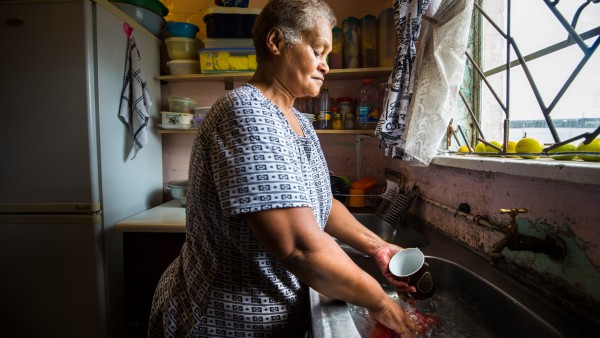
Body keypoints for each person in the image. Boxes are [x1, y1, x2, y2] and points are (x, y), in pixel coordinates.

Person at [148, 0, 419, 337]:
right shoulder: (247, 113)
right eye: (318, 51)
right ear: (275, 42)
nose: (326, 66)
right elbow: (299, 246)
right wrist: (381, 303)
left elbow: (322, 203)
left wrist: (378, 247)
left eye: (328, 56)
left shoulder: (298, 123)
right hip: (222, 322)